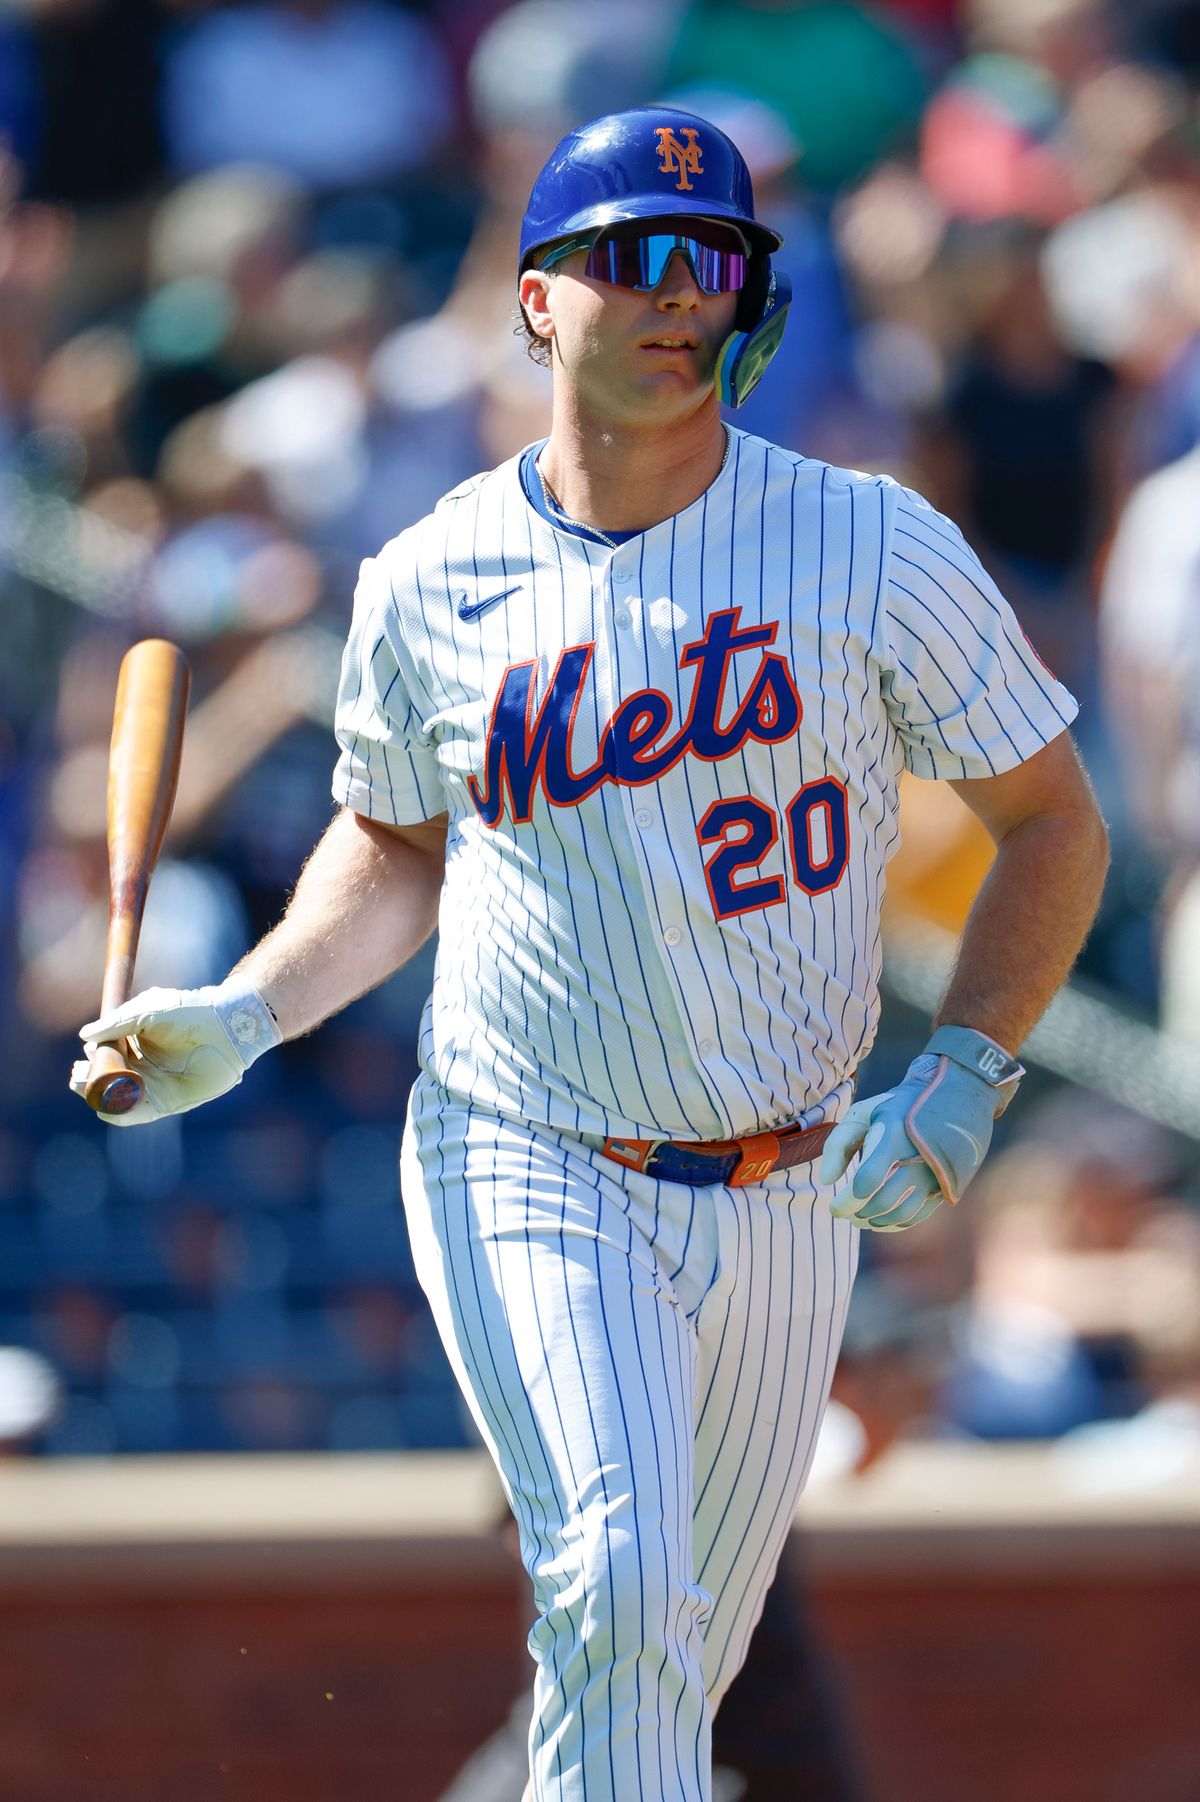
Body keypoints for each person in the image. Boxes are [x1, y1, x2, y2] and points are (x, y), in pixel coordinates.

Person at [72, 107, 1109, 1802]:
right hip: (530, 1148)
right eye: (632, 256)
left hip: (791, 1183)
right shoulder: (428, 576)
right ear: (537, 297)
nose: (676, 292)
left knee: (661, 1680)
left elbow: (1054, 820)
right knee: (622, 1593)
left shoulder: (872, 543)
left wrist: (972, 1065)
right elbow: (399, 842)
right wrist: (253, 1011)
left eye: (712, 258)